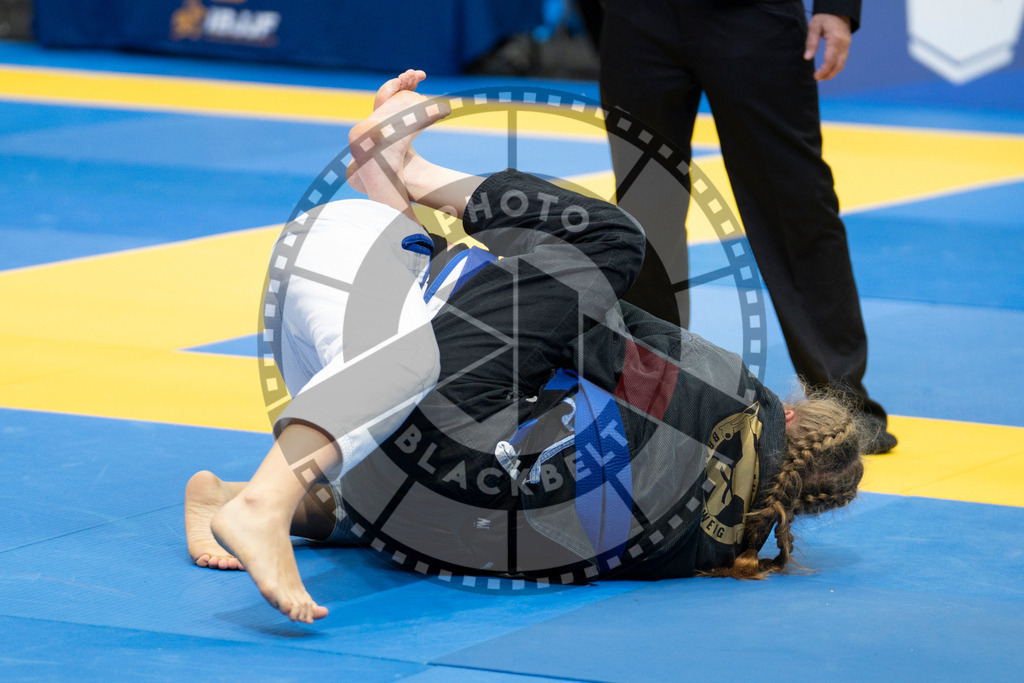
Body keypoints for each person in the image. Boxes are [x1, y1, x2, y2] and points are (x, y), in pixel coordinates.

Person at [184, 71, 866, 624]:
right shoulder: (705, 550)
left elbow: (573, 324)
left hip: (341, 269)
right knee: (465, 387)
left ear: (796, 415)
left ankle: (261, 497)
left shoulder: (729, 397)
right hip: (386, 468)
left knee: (605, 248)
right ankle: (243, 497)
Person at [597, 0, 897, 454]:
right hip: (637, 17)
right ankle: (652, 396)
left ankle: (842, 403)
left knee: (794, 203)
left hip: (756, 15)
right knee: (644, 209)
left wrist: (837, 7)